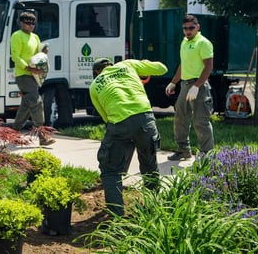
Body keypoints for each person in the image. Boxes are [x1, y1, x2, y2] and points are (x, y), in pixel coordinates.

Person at [89, 58, 167, 217]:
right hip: (145, 119)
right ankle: (153, 210)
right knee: (149, 165)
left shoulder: (95, 85)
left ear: (96, 72)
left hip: (119, 123)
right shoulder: (127, 64)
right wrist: (142, 66)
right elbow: (162, 68)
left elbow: (105, 117)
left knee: (110, 171)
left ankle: (117, 217)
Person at [165, 14, 214, 160]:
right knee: (180, 118)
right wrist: (174, 82)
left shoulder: (203, 43)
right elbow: (183, 64)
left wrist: (197, 86)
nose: (188, 31)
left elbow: (208, 67)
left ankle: (207, 156)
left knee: (201, 121)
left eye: (191, 28)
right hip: (185, 85)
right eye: (185, 28)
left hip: (199, 86)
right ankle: (183, 151)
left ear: (197, 27)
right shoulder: (184, 42)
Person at [11, 11, 55, 146]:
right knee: (36, 102)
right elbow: (15, 57)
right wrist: (28, 68)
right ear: (21, 23)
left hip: (34, 76)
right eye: (27, 23)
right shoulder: (17, 36)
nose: (30, 26)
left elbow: (38, 56)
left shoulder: (35, 37)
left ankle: (14, 132)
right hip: (23, 75)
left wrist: (43, 53)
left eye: (32, 23)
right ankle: (43, 136)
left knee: (26, 105)